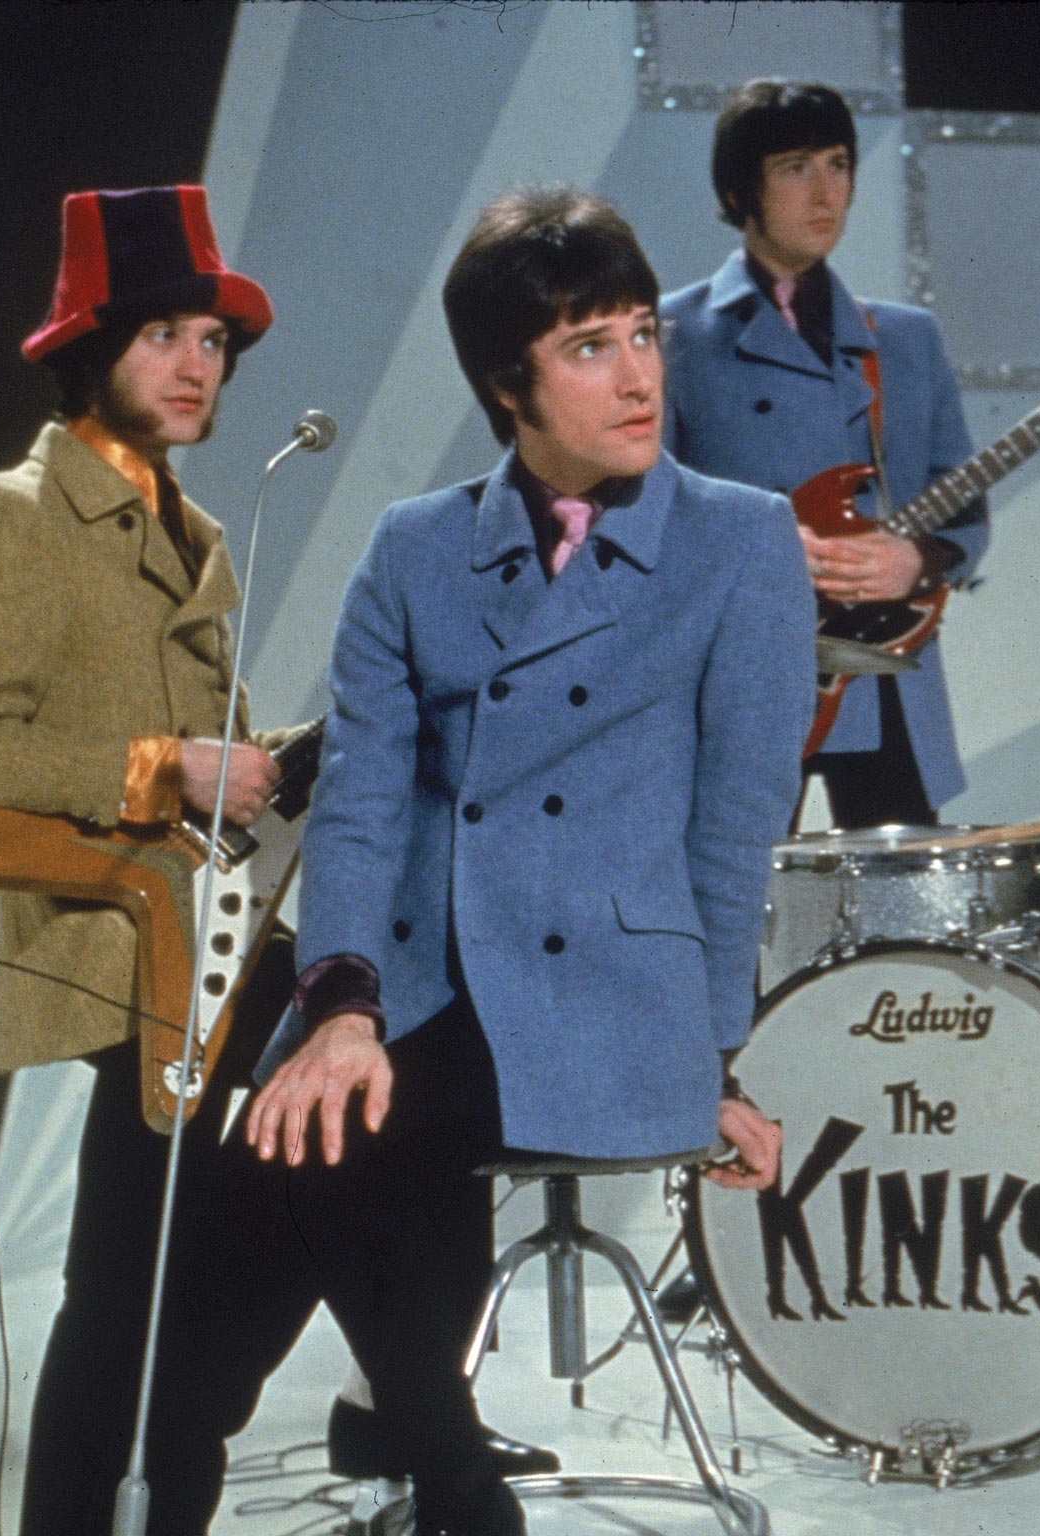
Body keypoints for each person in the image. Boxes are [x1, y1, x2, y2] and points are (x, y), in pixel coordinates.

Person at [242, 187, 810, 1536]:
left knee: (379, 1134)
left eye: (640, 335)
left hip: (619, 987)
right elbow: (365, 808)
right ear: (509, 387)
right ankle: (433, 1458)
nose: (638, 376)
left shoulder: (738, 542)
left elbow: (737, 832)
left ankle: (436, 1467)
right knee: (290, 1124)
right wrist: (341, 1004)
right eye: (588, 349)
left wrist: (720, 1054)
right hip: (429, 969)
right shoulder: (412, 548)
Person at [0, 185, 301, 1533]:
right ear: (94, 350)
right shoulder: (16, 513)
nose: (198, 367)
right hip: (113, 948)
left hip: (218, 938)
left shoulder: (191, 525)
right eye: (164, 338)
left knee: (185, 1281)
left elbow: (232, 752)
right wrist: (162, 768)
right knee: (135, 1289)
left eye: (212, 341)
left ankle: (166, 1486)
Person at [660, 78, 986, 829]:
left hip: (887, 675)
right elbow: (648, 511)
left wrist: (917, 562)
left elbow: (963, 503)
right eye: (795, 167)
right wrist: (758, 550)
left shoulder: (905, 337)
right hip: (748, 673)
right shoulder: (671, 335)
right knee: (728, 909)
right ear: (742, 188)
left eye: (839, 164)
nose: (825, 191)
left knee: (907, 917)